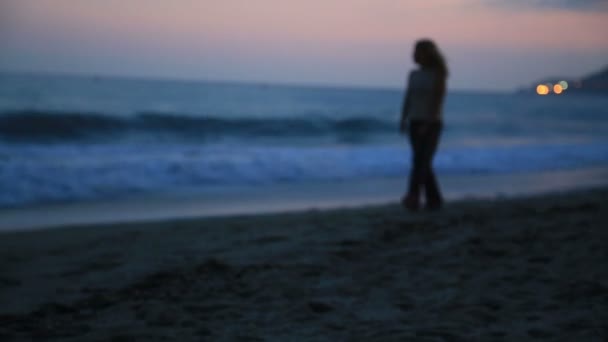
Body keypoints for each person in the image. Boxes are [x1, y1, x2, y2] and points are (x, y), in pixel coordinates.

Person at [400, 39, 448, 211]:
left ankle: (413, 197)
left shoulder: (438, 74)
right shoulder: (413, 74)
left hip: (432, 123)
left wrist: (428, 123)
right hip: (414, 121)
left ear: (427, 54)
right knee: (421, 162)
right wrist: (403, 118)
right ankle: (434, 200)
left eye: (417, 51)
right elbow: (408, 97)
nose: (414, 54)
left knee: (421, 161)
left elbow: (437, 100)